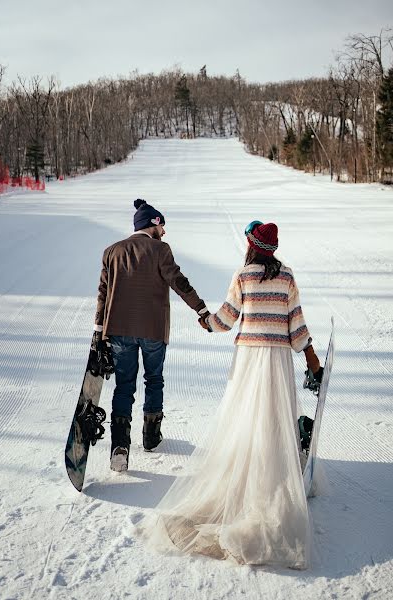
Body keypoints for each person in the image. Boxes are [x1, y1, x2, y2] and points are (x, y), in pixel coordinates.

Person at [136, 221, 323, 569]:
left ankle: (246, 465)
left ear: (252, 247)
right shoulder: (287, 276)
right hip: (278, 358)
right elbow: (297, 324)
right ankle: (273, 470)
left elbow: (228, 317)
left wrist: (207, 323)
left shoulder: (243, 275)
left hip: (251, 357)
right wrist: (310, 356)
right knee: (273, 415)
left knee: (245, 415)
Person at [93, 199, 209, 472]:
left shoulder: (111, 252)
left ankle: (120, 446)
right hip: (154, 330)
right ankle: (150, 437)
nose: (165, 233)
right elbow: (178, 281)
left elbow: (102, 293)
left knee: (124, 386)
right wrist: (201, 309)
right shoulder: (160, 250)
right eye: (162, 227)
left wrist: (99, 330)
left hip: (119, 330)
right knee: (153, 379)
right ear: (152, 225)